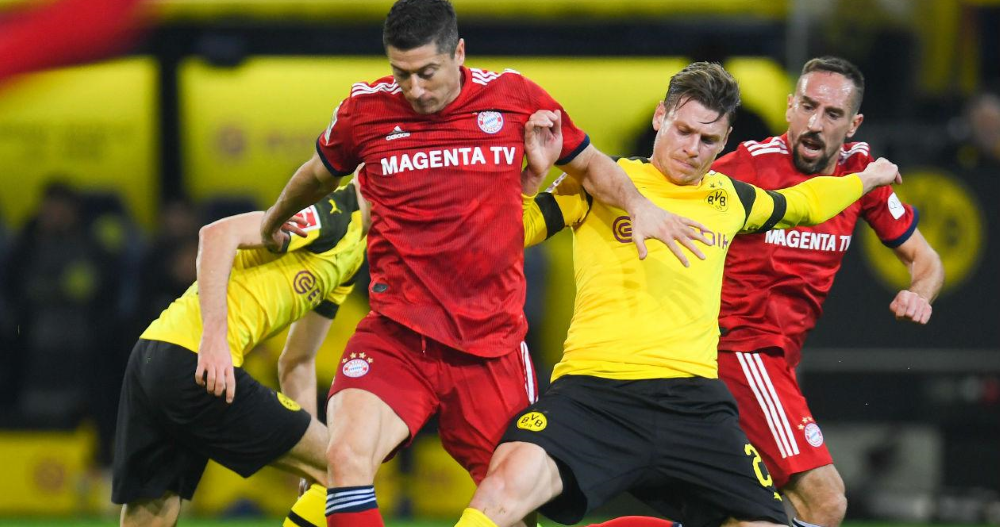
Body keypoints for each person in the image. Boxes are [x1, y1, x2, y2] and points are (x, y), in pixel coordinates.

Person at [260, 2, 708, 527]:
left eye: (428, 72)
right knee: (344, 457)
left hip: (490, 349)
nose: (415, 89)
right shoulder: (365, 111)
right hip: (398, 335)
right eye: (401, 74)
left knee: (515, 511)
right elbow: (318, 174)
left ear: (459, 53)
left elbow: (588, 165)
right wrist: (273, 221)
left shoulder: (514, 98)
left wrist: (638, 205)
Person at [453, 61, 903, 527]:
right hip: (595, 393)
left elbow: (804, 204)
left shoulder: (731, 199)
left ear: (725, 141)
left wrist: (867, 179)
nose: (691, 149)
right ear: (659, 117)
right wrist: (528, 182)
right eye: (683, 131)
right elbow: (509, 233)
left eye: (708, 139)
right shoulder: (600, 182)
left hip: (695, 404)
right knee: (504, 486)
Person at [711, 57, 944, 527]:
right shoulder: (747, 166)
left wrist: (920, 293)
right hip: (739, 350)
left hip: (780, 362)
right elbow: (672, 195)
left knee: (748, 518)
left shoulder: (861, 176)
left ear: (853, 125)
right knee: (825, 500)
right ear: (789, 107)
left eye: (832, 113)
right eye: (808, 106)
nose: (815, 124)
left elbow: (927, 261)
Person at [112, 181, 368, 526]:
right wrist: (214, 338)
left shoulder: (353, 257)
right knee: (345, 464)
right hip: (195, 360)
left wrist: (306, 456)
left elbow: (298, 360)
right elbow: (217, 235)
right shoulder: (335, 214)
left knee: (154, 508)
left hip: (154, 354)